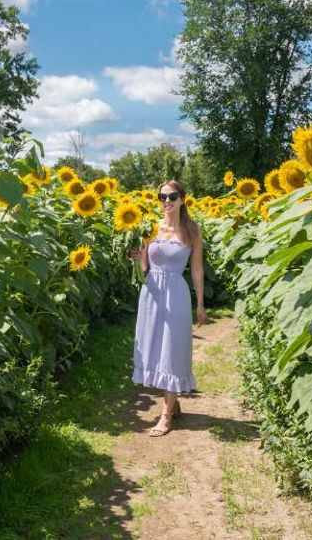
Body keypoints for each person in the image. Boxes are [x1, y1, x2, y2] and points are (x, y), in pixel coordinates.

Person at [127, 179, 208, 437]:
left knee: (171, 348)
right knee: (154, 346)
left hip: (176, 293)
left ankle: (165, 416)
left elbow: (196, 269)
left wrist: (201, 304)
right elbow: (145, 265)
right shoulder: (151, 228)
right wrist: (136, 256)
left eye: (172, 197)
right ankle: (172, 401)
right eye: (162, 197)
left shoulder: (192, 231)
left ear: (182, 199)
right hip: (151, 292)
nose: (166, 202)